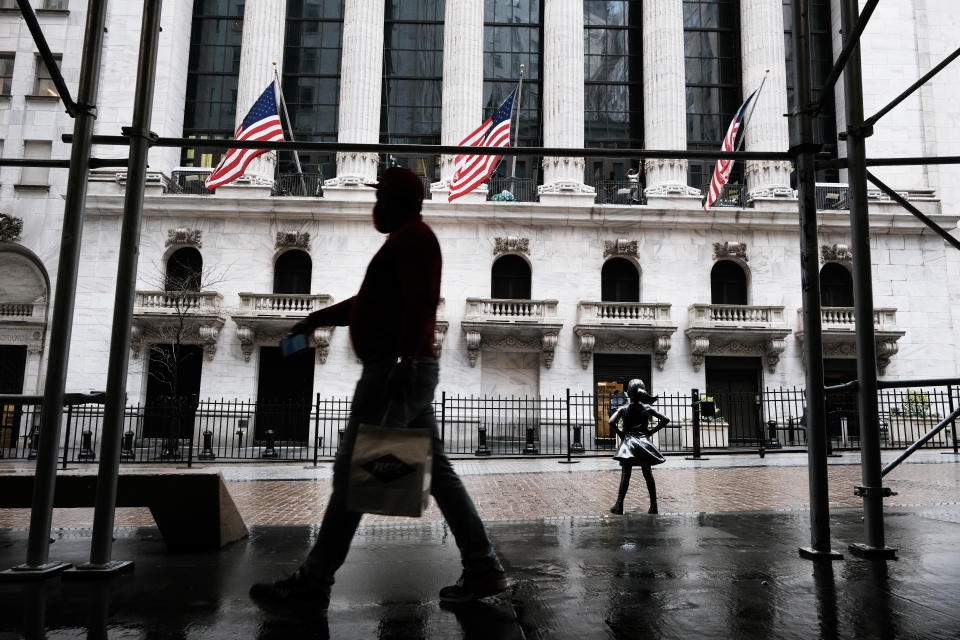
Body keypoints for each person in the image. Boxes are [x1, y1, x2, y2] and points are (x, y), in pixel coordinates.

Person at [250, 167, 507, 617]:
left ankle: (312, 583)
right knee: (437, 474)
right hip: (399, 371)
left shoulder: (413, 239)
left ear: (394, 201)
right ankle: (482, 565)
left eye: (380, 197)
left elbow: (420, 304)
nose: (374, 206)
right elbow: (369, 305)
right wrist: (317, 319)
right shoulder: (403, 242)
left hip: (392, 374)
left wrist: (404, 364)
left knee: (356, 473)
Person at [608, 379, 670, 515]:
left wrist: (622, 435)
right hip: (644, 443)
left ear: (629, 393)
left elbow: (611, 421)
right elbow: (666, 419)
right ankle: (654, 506)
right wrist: (650, 432)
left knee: (626, 475)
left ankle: (619, 505)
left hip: (629, 443)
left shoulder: (623, 408)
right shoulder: (647, 408)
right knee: (648, 474)